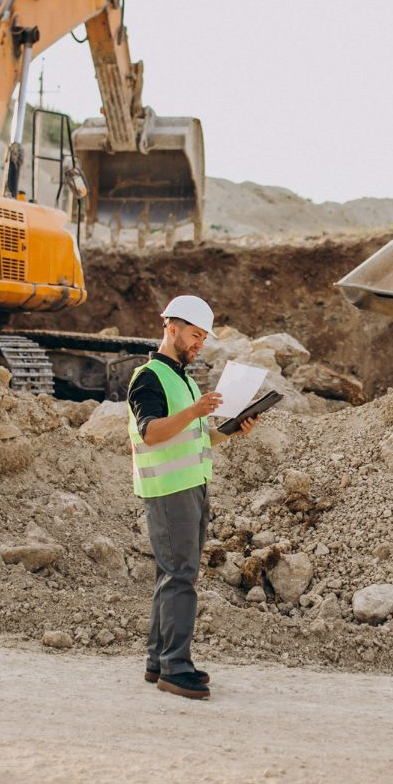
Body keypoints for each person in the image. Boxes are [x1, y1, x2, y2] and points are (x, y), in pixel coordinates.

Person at [127, 294, 256, 700]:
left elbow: (193, 436)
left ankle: (158, 660)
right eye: (195, 335)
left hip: (191, 485)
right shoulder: (149, 376)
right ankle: (175, 667)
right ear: (172, 328)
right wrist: (196, 412)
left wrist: (231, 429)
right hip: (169, 491)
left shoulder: (182, 377)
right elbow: (151, 433)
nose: (199, 343)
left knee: (173, 574)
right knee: (180, 574)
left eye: (204, 337)